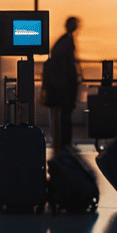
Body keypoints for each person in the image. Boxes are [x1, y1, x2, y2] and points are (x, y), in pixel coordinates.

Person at [42, 16, 81, 152]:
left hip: (61, 85)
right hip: (64, 86)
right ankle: (64, 143)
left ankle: (61, 142)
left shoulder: (63, 41)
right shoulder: (67, 42)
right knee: (65, 116)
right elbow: (69, 63)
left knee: (62, 115)